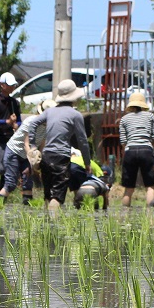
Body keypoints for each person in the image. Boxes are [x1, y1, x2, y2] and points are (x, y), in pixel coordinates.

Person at [40, 79, 91, 212]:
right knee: (57, 196)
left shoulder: (49, 112)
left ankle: (45, 228)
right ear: (74, 97)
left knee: (48, 194)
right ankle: (53, 227)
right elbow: (83, 141)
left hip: (46, 156)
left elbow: (33, 123)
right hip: (61, 158)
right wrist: (87, 162)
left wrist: (33, 146)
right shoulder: (75, 115)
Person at [0, 99, 52, 205]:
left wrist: (40, 160)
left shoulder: (48, 126)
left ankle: (28, 212)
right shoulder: (32, 122)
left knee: (28, 183)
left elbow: (42, 143)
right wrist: (32, 161)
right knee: (10, 183)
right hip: (14, 151)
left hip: (27, 154)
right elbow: (26, 144)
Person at [118, 89, 154, 207]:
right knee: (150, 187)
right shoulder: (151, 116)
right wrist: (149, 147)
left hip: (130, 151)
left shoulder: (124, 119)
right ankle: (150, 218)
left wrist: (129, 149)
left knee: (129, 188)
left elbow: (123, 141)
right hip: (146, 150)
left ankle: (125, 217)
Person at [0, 72, 21, 191]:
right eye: (10, 85)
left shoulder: (14, 102)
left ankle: (4, 191)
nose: (12, 87)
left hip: (11, 139)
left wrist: (17, 125)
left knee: (8, 167)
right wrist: (6, 122)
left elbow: (19, 120)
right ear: (2, 85)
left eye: (13, 85)